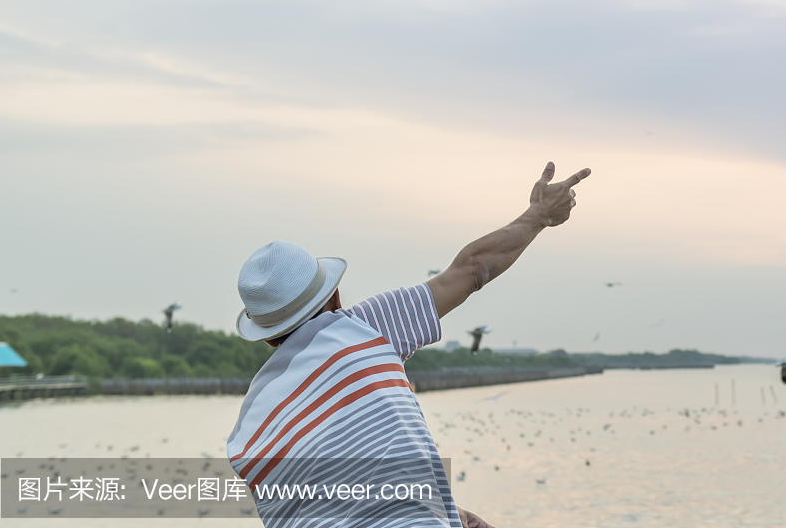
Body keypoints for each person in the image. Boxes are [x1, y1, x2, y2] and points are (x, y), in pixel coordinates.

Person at [226, 162, 591, 527]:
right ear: (335, 297)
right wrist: (539, 215)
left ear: (268, 337)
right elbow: (473, 268)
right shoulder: (359, 327)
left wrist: (450, 513)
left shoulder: (247, 432)